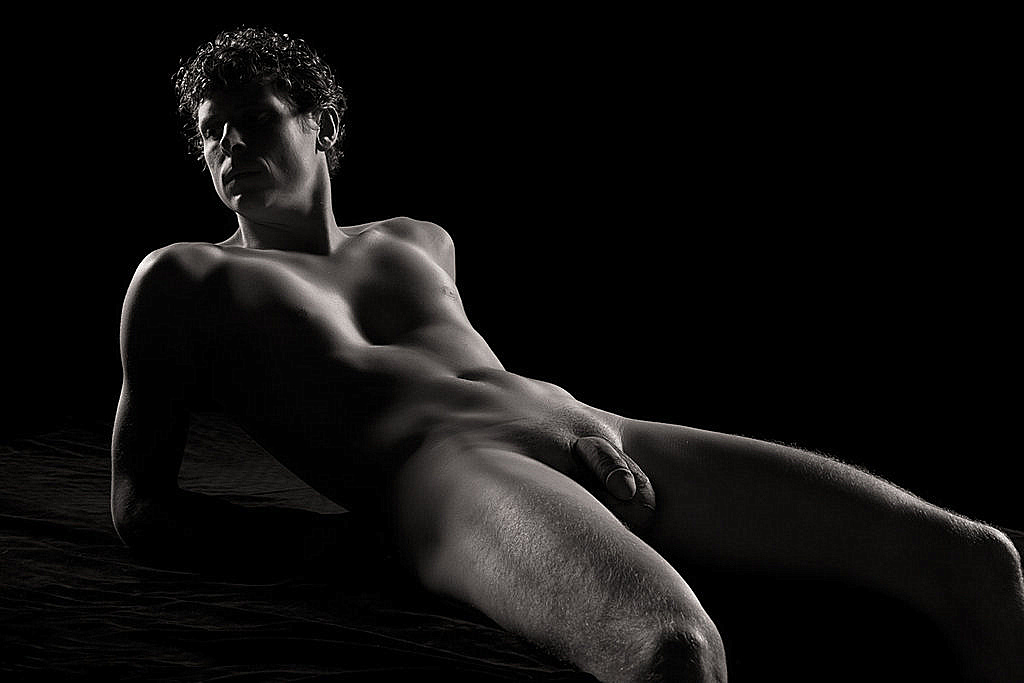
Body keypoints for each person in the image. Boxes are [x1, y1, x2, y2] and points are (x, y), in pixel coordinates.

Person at [110, 27, 1023, 682]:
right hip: (453, 478)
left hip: (597, 428)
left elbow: (474, 377)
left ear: (321, 126)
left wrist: (577, 444)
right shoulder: (186, 278)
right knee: (676, 653)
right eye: (210, 131)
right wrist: (325, 543)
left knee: (979, 559)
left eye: (253, 118)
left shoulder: (419, 239)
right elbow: (138, 504)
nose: (228, 144)